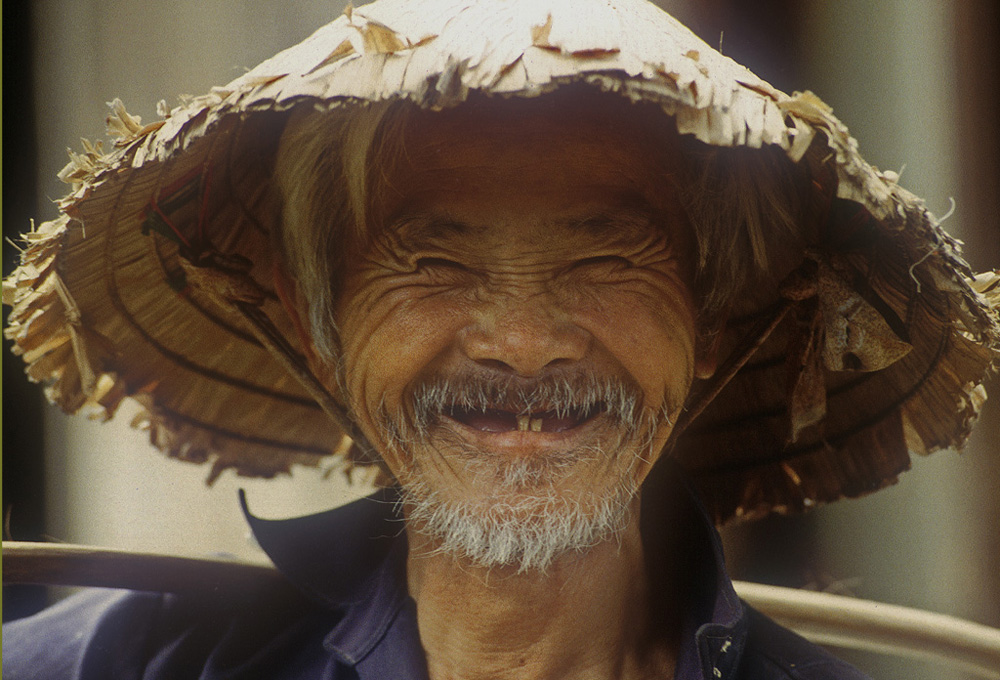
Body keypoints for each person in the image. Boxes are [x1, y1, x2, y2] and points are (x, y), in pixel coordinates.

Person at [3, 0, 997, 678]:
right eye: (431, 264)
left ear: (712, 319)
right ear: (315, 328)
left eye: (605, 259)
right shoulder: (146, 659)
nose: (524, 344)